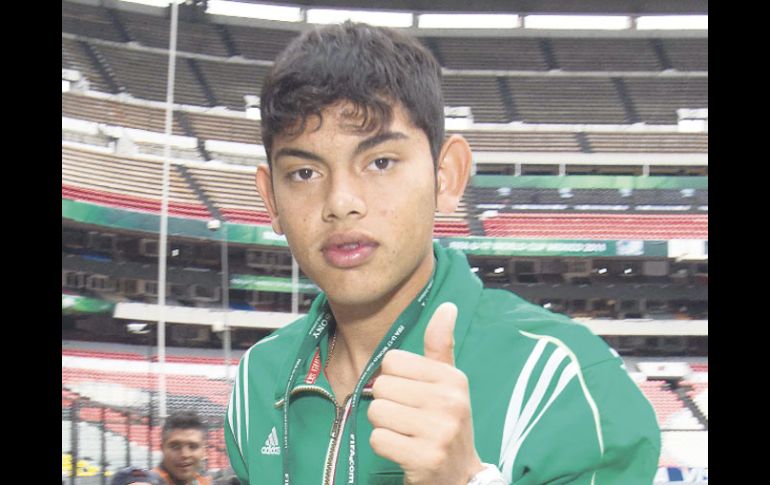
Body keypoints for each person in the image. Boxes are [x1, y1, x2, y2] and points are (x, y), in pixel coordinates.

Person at [225, 21, 661, 485]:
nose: (341, 202)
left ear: (446, 176)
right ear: (271, 199)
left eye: (380, 162)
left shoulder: (566, 379)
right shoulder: (258, 380)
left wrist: (467, 479)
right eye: (304, 173)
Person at [153, 410, 212, 485]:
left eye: (192, 446)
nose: (184, 454)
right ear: (162, 449)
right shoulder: (150, 481)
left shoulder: (203, 482)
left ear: (204, 451)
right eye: (175, 446)